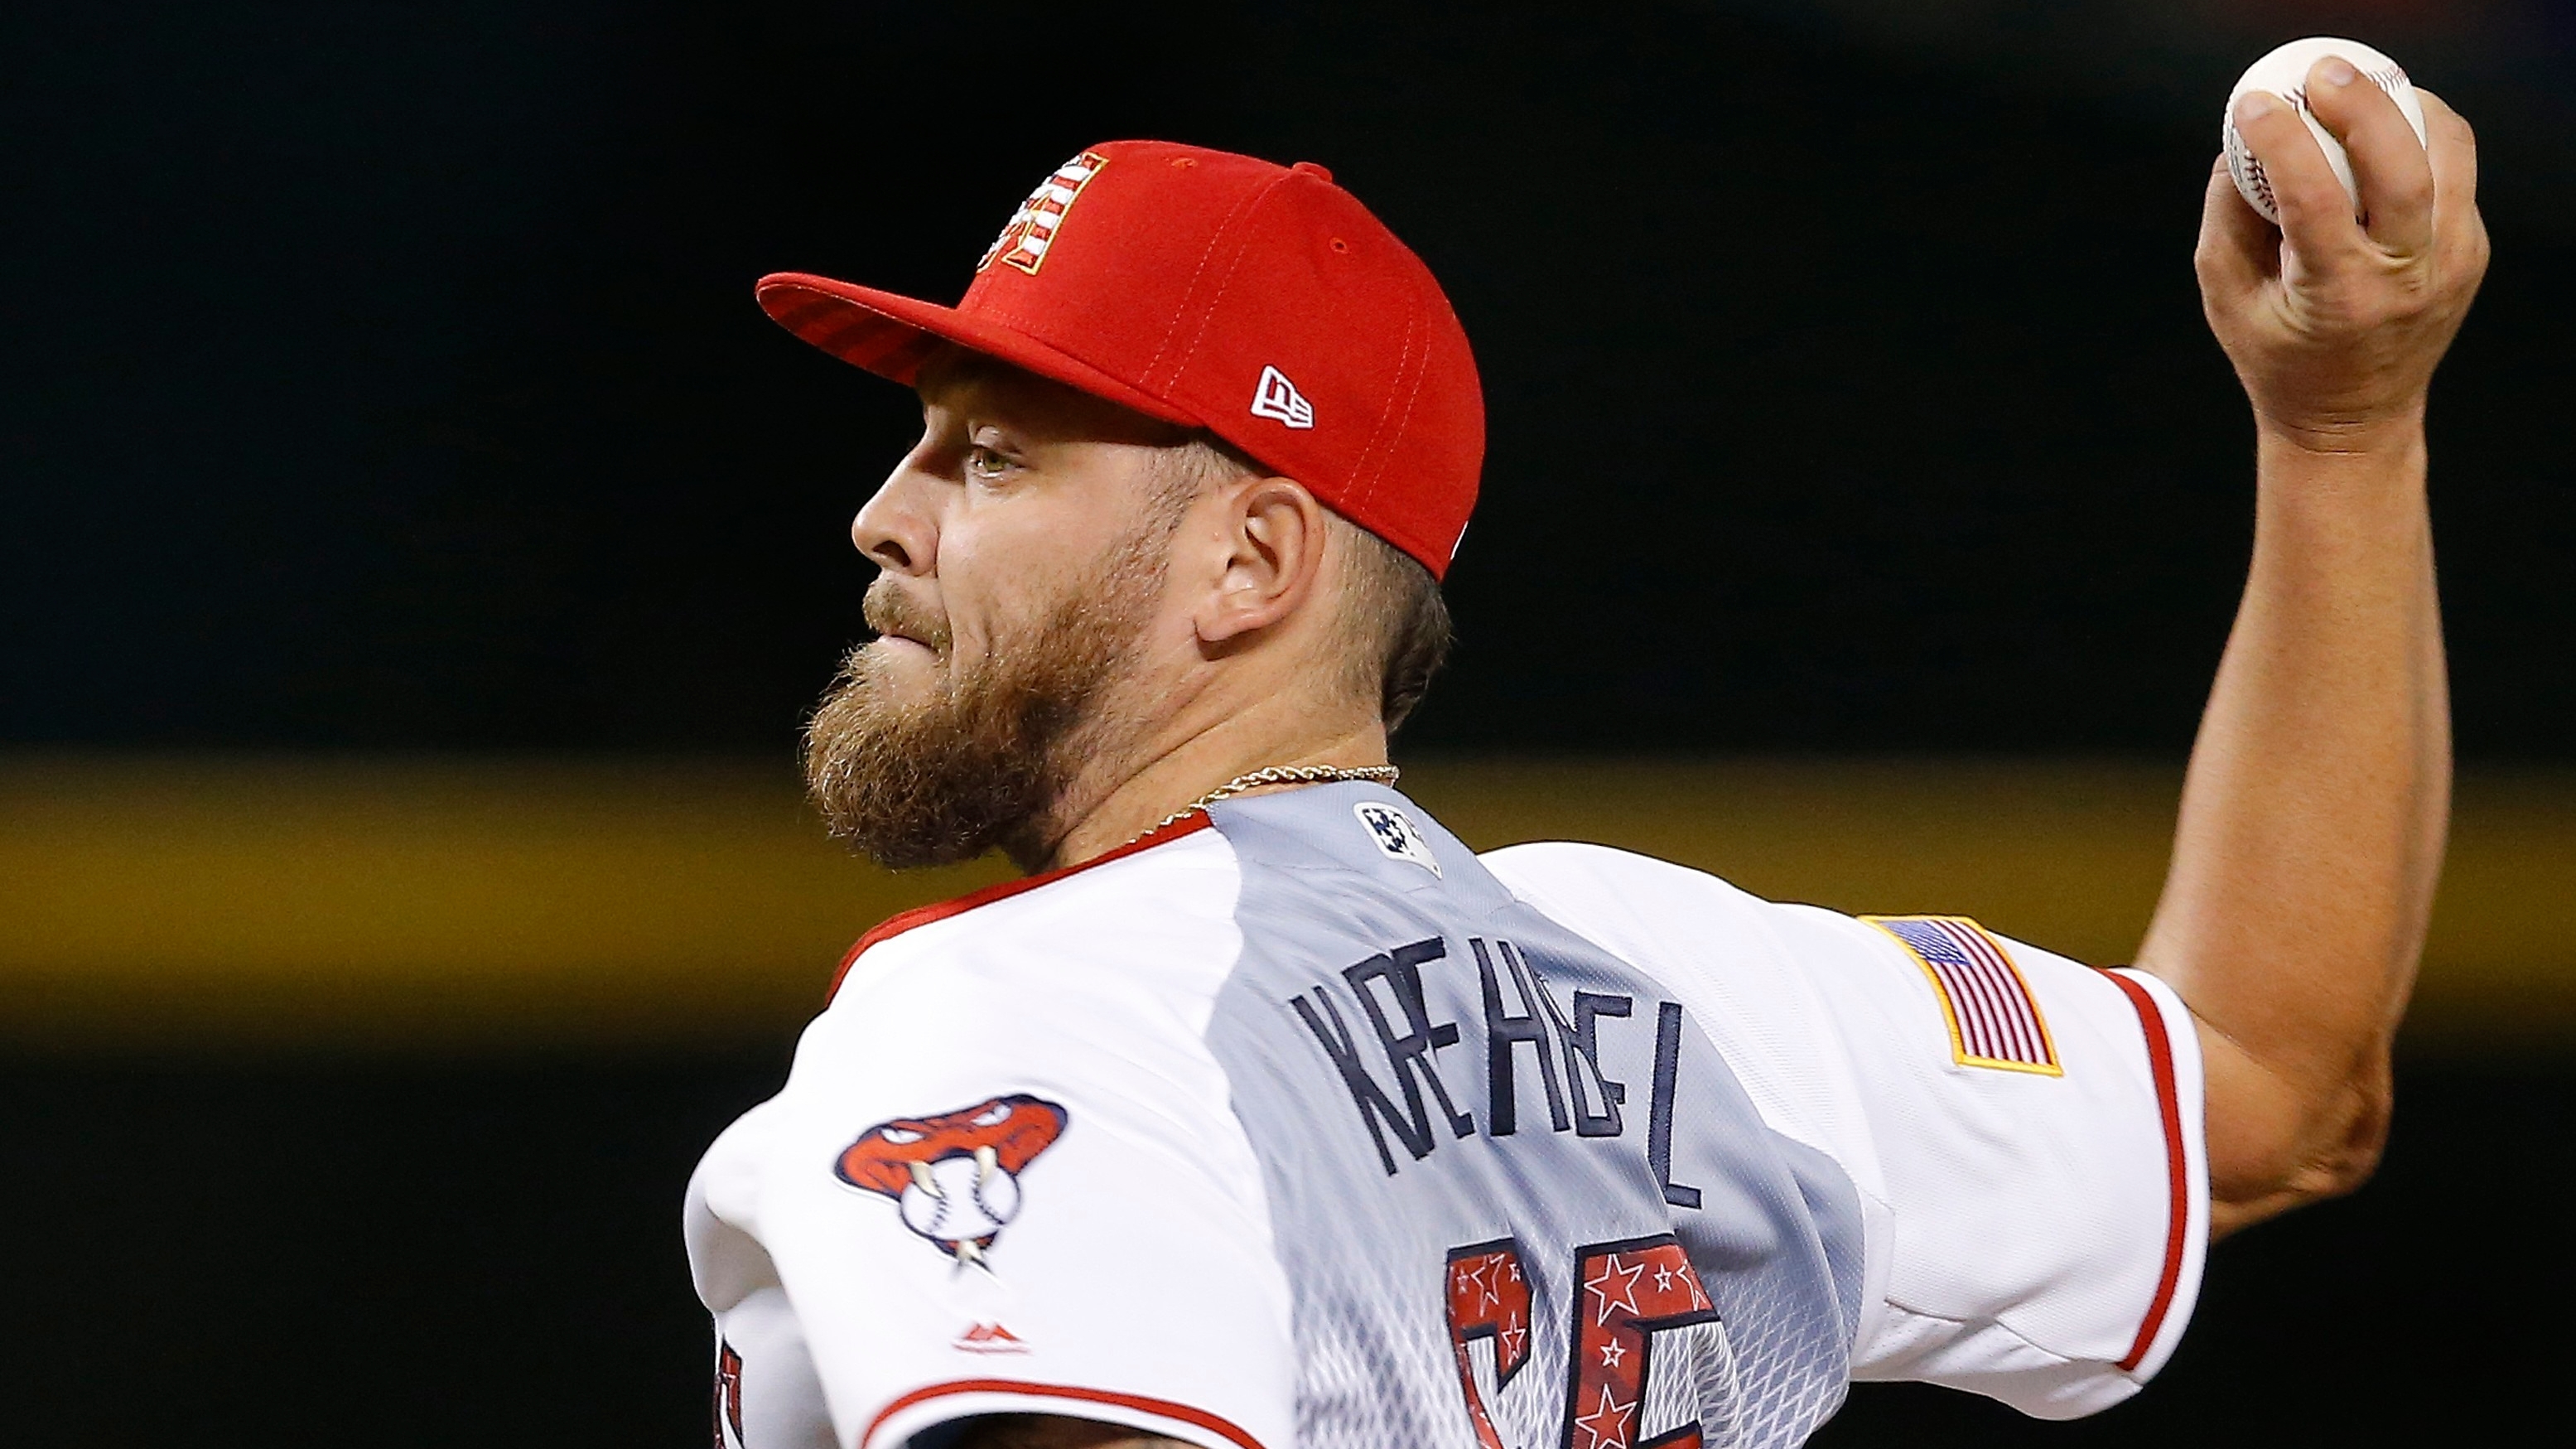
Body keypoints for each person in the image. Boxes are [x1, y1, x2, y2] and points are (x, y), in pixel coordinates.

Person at [686, 60, 2486, 1449]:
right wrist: (2342, 436)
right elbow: (2270, 1079)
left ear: (1253, 561)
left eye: (993, 456)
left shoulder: (1014, 1013)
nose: (881, 516)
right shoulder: (1691, 984)